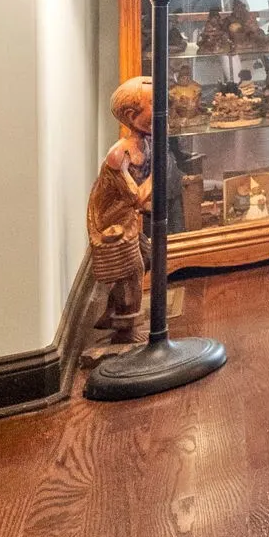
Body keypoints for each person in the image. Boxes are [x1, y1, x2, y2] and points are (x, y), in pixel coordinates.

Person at [87, 77, 155, 343]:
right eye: (154, 104)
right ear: (130, 115)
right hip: (111, 222)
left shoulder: (145, 144)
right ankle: (126, 329)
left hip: (128, 218)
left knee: (146, 256)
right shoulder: (119, 155)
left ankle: (112, 312)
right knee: (133, 270)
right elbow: (134, 196)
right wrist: (158, 175)